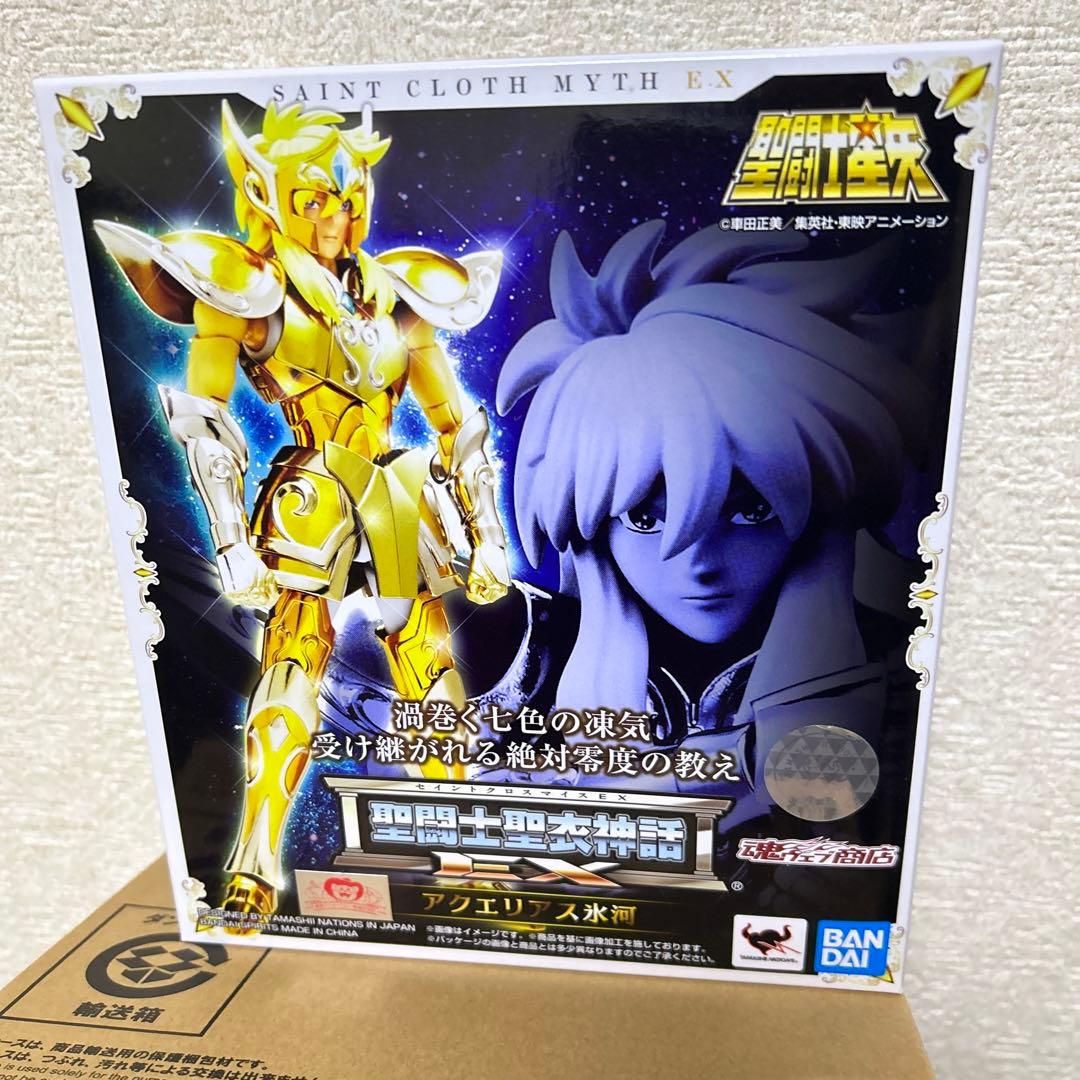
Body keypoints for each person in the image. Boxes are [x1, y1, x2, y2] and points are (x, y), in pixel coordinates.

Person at [95, 101, 510, 923]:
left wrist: (488, 534)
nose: (334, 217)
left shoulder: (397, 292)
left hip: (397, 494)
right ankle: (255, 856)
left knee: (430, 670)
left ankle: (460, 850)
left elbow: (456, 425)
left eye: (347, 198)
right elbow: (207, 421)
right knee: (292, 671)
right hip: (315, 492)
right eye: (313, 197)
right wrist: (230, 542)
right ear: (267, 193)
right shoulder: (247, 288)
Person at [495, 220, 924, 828]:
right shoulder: (524, 659)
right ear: (588, 525)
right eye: (644, 519)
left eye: (751, 511)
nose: (698, 564)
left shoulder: (904, 664)